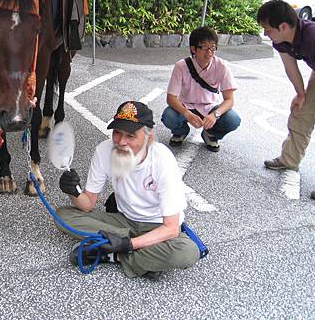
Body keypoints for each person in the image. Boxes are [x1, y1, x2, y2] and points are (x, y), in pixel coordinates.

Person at [55, 101, 200, 280]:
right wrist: (73, 191)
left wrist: (128, 244)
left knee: (187, 252)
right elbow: (87, 205)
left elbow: (171, 229)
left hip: (158, 225)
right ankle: (146, 259)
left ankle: (114, 255)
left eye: (131, 136)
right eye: (117, 133)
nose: (121, 142)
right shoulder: (103, 151)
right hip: (124, 222)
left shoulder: (162, 159)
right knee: (62, 216)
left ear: (149, 138)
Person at [257, 0, 315, 202]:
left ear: (283, 26)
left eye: (267, 29)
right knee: (301, 113)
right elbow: (291, 67)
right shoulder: (282, 40)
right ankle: (289, 160)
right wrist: (301, 93)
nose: (265, 34)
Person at [161, 26, 241, 152]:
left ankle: (211, 134)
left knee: (233, 119)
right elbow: (171, 98)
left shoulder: (222, 67)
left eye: (212, 47)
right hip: (186, 105)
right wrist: (187, 113)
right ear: (193, 48)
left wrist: (215, 114)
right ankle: (181, 132)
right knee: (169, 116)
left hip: (210, 107)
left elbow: (229, 100)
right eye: (204, 47)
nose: (209, 52)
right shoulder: (181, 66)